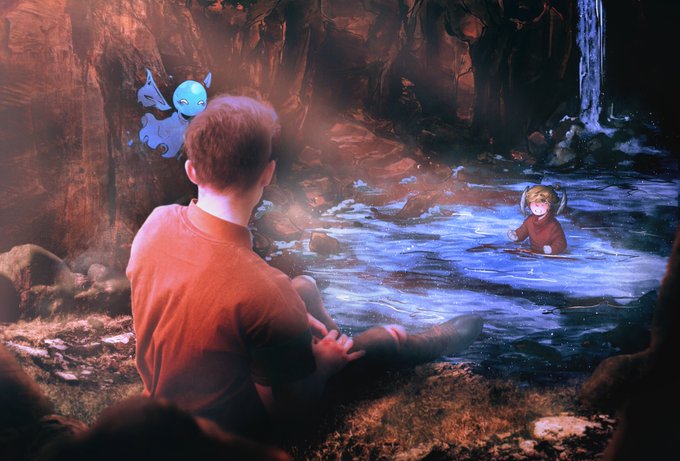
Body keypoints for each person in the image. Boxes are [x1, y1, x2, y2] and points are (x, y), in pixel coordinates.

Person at [126, 95, 483, 437]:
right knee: (380, 341)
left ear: (191, 170)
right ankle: (426, 342)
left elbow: (211, 289)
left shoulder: (157, 223)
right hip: (226, 432)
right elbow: (288, 412)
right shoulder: (264, 290)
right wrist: (325, 364)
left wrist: (285, 317)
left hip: (168, 400)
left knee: (303, 287)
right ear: (267, 174)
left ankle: (322, 338)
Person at [508, 185, 567, 255]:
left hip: (548, 255)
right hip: (533, 253)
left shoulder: (553, 224)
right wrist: (516, 235)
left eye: (542, 202)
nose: (537, 205)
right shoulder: (530, 220)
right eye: (534, 202)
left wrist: (552, 249)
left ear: (549, 205)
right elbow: (523, 231)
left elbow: (561, 242)